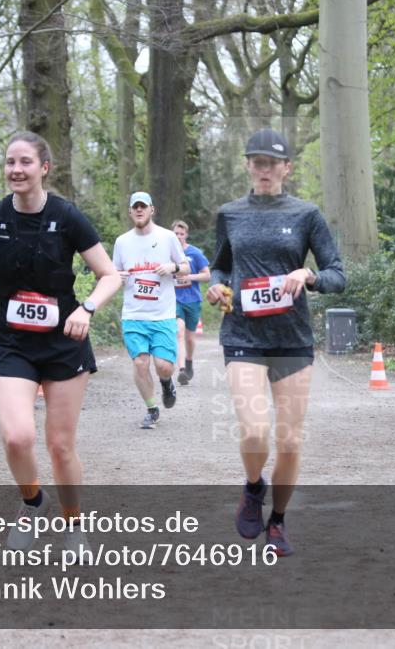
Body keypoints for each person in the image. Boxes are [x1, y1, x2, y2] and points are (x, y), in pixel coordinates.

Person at [0, 131, 122, 550]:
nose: (16, 170)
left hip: (63, 343)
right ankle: (33, 503)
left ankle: (74, 525)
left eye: (25, 163)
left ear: (44, 168)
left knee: (59, 444)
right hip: (12, 342)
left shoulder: (68, 217)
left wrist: (86, 309)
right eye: (10, 162)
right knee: (17, 436)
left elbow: (110, 276)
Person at [206, 128, 345, 556]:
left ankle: (279, 521)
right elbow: (219, 267)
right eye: (257, 162)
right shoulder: (230, 213)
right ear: (248, 165)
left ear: (287, 168)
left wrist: (309, 275)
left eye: (272, 163)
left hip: (292, 339)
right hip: (243, 334)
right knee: (254, 431)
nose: (264, 170)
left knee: (289, 442)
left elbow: (338, 273)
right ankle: (252, 488)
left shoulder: (307, 215)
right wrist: (215, 286)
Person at [112, 192, 189, 429]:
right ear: (130, 211)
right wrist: (118, 277)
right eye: (134, 207)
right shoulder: (122, 242)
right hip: (134, 315)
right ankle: (152, 408)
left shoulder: (167, 237)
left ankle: (167, 383)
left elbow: (186, 267)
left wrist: (173, 267)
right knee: (141, 363)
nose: (138, 210)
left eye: (142, 207)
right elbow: (112, 276)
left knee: (164, 366)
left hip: (162, 315)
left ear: (151, 210)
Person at [171, 220, 211, 386]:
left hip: (193, 299)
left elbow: (207, 275)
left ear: (186, 235)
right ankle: (181, 370)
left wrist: (189, 277)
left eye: (181, 234)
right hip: (174, 299)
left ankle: (189, 362)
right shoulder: (167, 253)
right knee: (178, 331)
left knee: (189, 337)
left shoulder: (195, 253)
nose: (179, 236)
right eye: (176, 234)